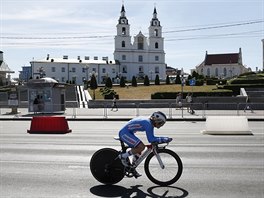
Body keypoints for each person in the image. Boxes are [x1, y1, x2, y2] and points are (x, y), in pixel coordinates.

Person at [118, 111, 172, 178]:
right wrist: (164, 139)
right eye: (161, 123)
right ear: (156, 120)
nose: (160, 126)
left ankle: (132, 168)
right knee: (141, 147)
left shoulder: (149, 122)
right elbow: (151, 139)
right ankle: (123, 156)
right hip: (124, 133)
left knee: (139, 149)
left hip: (127, 132)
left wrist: (161, 139)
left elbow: (152, 138)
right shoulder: (148, 124)